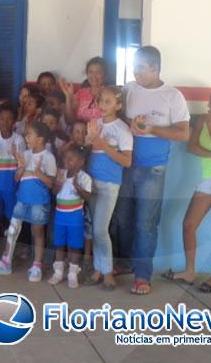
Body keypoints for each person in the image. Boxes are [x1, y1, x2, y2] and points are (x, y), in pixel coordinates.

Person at [111, 46, 190, 295]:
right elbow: (120, 118)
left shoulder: (172, 96)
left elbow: (183, 133)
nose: (135, 73)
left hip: (153, 170)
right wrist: (130, 124)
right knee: (122, 219)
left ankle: (142, 275)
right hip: (125, 164)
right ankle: (124, 263)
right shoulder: (130, 89)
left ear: (155, 68)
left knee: (146, 223)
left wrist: (151, 129)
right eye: (133, 67)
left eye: (140, 68)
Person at [162, 86, 211, 293]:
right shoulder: (201, 120)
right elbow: (192, 147)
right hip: (208, 179)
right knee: (189, 224)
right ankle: (189, 272)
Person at [0, 121, 57, 282]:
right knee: (12, 229)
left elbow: (51, 183)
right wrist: (20, 166)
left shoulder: (49, 157)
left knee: (37, 232)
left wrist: (39, 173)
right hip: (22, 199)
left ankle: (37, 265)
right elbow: (17, 178)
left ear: (40, 139)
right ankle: (6, 261)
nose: (26, 137)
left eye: (29, 134)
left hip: (39, 202)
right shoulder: (25, 154)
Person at [84, 86, 133, 290]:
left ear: (118, 106)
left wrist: (103, 145)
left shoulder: (122, 129)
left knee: (100, 229)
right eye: (100, 101)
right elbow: (86, 146)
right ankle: (98, 269)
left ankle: (108, 272)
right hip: (92, 182)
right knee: (96, 229)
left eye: (108, 101)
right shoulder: (95, 124)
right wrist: (89, 139)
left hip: (110, 184)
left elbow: (127, 161)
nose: (102, 105)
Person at [0, 101, 26, 256]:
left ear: (14, 121)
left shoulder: (19, 140)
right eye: (2, 119)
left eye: (9, 119)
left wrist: (16, 155)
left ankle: (10, 250)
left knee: (11, 218)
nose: (5, 122)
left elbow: (22, 164)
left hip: (11, 184)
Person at [47, 146, 92, 288]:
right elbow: (54, 192)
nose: (66, 162)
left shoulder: (85, 178)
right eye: (65, 158)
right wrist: (59, 183)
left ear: (80, 161)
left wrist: (78, 187)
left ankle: (73, 273)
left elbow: (88, 197)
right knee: (59, 244)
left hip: (75, 216)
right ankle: (58, 272)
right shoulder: (61, 173)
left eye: (70, 159)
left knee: (74, 245)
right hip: (60, 214)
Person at [59, 57, 108, 124]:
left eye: (98, 72)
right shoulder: (80, 93)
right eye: (90, 72)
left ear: (105, 75)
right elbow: (69, 121)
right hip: (79, 133)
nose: (93, 76)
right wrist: (68, 96)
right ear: (87, 74)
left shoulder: (110, 95)